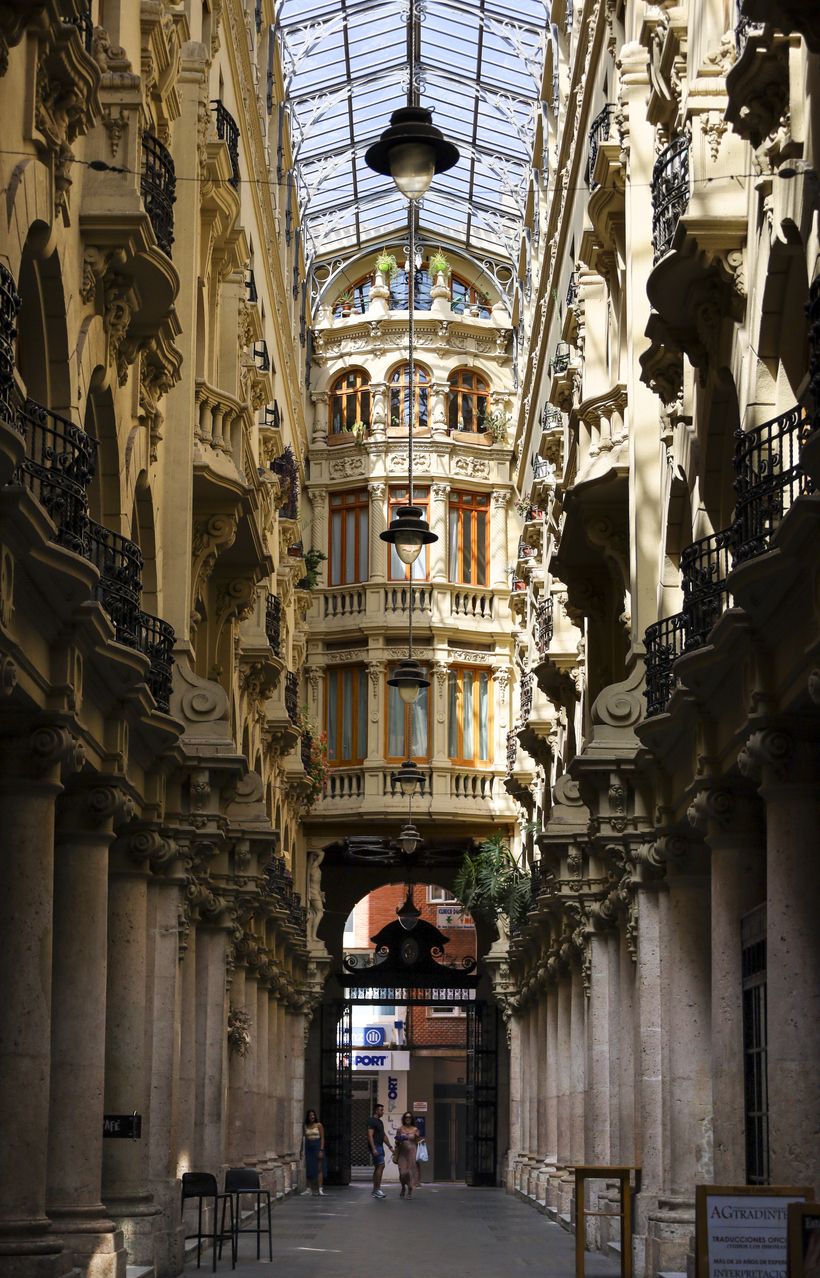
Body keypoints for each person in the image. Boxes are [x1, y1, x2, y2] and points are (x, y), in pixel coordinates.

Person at [366, 1101, 394, 1199]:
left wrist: (390, 1147)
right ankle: (377, 1190)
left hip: (380, 1146)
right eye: (381, 1110)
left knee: (378, 1166)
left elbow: (383, 1135)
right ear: (376, 1111)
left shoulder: (380, 1122)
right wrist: (373, 1149)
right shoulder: (372, 1120)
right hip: (376, 1146)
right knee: (381, 1165)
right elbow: (370, 1135)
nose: (383, 1112)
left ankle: (375, 1190)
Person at [395, 1112, 423, 1199]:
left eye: (410, 1117)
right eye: (406, 1117)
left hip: (412, 1153)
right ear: (404, 1118)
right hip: (402, 1153)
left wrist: (421, 1140)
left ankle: (410, 1191)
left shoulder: (415, 1129)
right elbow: (396, 1142)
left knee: (410, 1173)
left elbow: (418, 1140)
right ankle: (403, 1187)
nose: (408, 1119)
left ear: (412, 1119)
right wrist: (398, 1141)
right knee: (402, 1173)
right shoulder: (400, 1129)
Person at [301, 1108, 326, 1197]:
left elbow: (322, 1138)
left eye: (313, 1115)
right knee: (309, 1168)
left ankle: (320, 1189)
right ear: (308, 1117)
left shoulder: (319, 1125)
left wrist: (321, 1150)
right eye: (310, 1115)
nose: (312, 1116)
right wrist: (302, 1150)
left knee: (319, 1168)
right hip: (309, 1147)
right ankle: (309, 1189)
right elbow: (304, 1138)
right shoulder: (306, 1126)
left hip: (317, 1145)